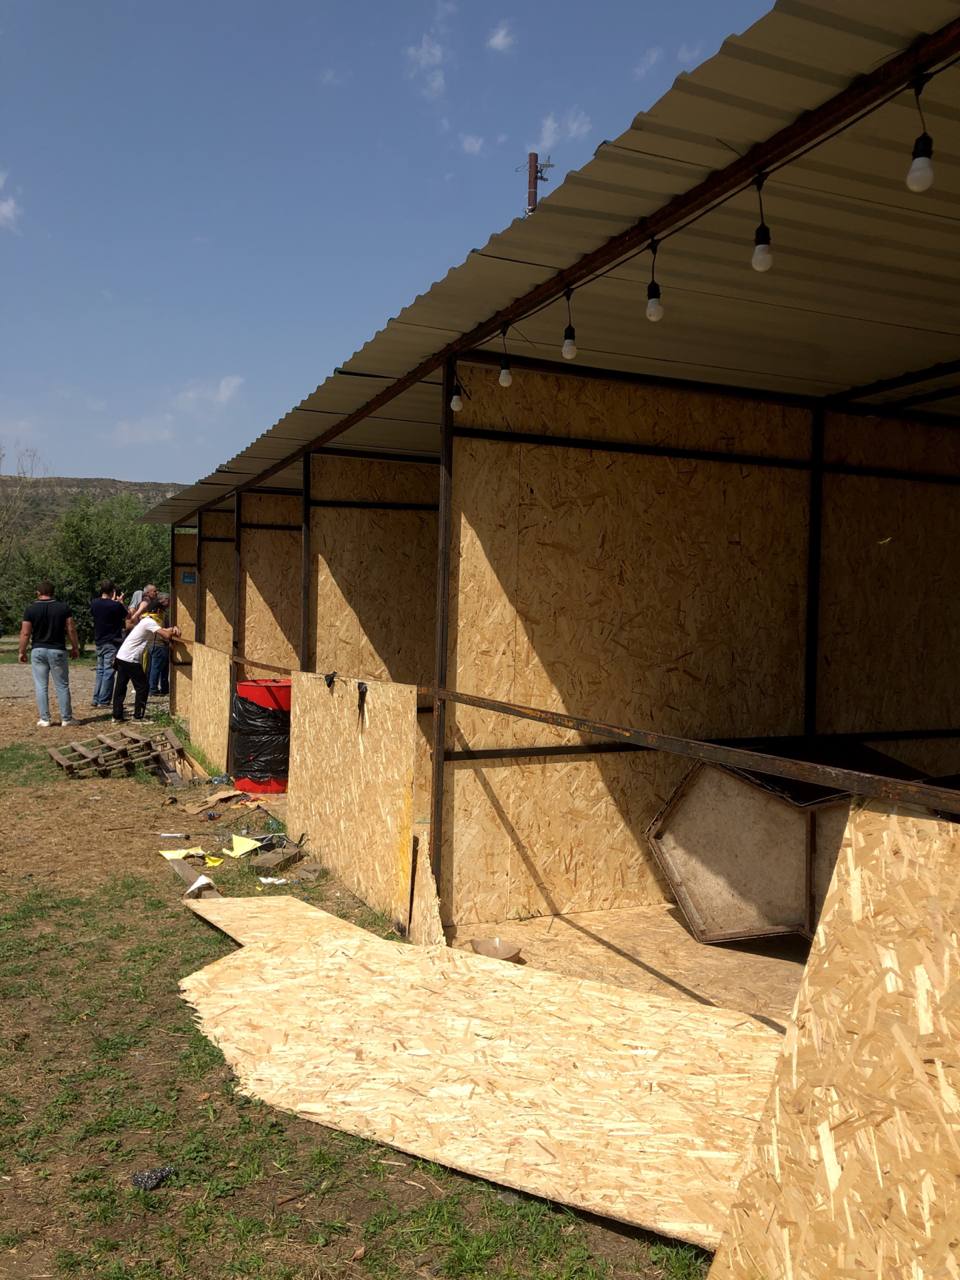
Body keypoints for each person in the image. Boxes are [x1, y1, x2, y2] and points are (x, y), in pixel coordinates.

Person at [18, 580, 79, 728]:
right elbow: (70, 629)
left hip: (38, 649)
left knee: (41, 685)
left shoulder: (30, 609)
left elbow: (25, 633)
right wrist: (75, 647)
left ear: (38, 593)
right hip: (57, 649)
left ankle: (45, 719)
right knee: (62, 685)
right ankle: (66, 718)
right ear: (53, 592)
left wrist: (22, 651)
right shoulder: (63, 608)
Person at [113, 609, 180, 723]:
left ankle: (117, 716)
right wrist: (173, 630)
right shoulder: (150, 622)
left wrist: (172, 628)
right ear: (158, 611)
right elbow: (166, 635)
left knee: (120, 687)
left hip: (122, 656)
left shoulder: (145, 621)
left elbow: (163, 630)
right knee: (143, 687)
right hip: (130, 658)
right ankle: (138, 716)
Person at [89, 580, 127, 709]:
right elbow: (127, 615)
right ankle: (104, 700)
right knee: (109, 671)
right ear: (113, 591)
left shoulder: (94, 603)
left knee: (100, 671)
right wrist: (120, 601)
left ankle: (96, 698)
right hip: (111, 641)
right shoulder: (115, 606)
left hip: (99, 640)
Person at [148, 593, 171, 697]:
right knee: (158, 668)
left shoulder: (149, 615)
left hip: (151, 643)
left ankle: (163, 688)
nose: (170, 603)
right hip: (160, 643)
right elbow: (166, 628)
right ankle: (154, 689)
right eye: (168, 600)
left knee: (155, 667)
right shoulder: (162, 615)